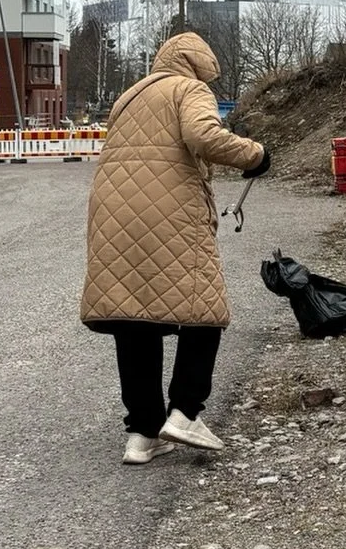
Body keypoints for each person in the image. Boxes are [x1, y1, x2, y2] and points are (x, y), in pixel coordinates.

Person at [80, 32, 270, 464]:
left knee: (134, 314)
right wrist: (256, 155)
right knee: (204, 309)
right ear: (198, 66)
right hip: (170, 209)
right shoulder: (189, 89)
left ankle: (143, 434)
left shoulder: (128, 97)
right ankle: (185, 412)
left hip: (112, 211)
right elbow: (203, 136)